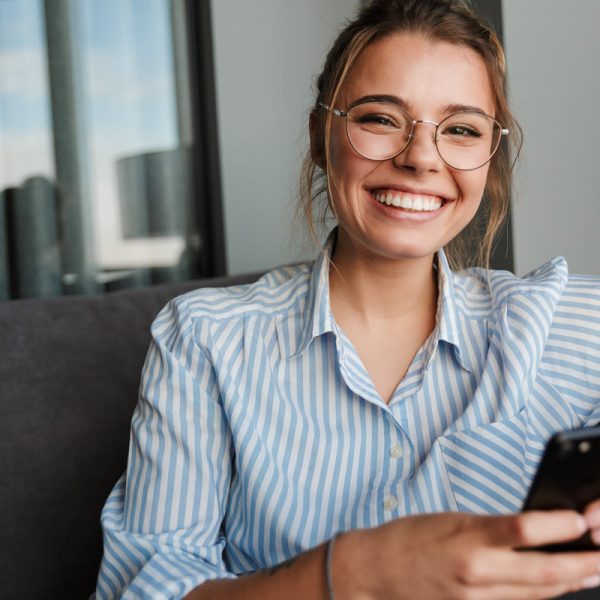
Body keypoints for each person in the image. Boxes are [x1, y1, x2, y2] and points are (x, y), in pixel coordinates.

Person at [95, 1, 600, 598]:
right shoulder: (204, 339)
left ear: (489, 161)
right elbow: (143, 590)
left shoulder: (557, 319)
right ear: (320, 136)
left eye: (461, 129)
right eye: (381, 118)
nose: (420, 157)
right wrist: (357, 571)